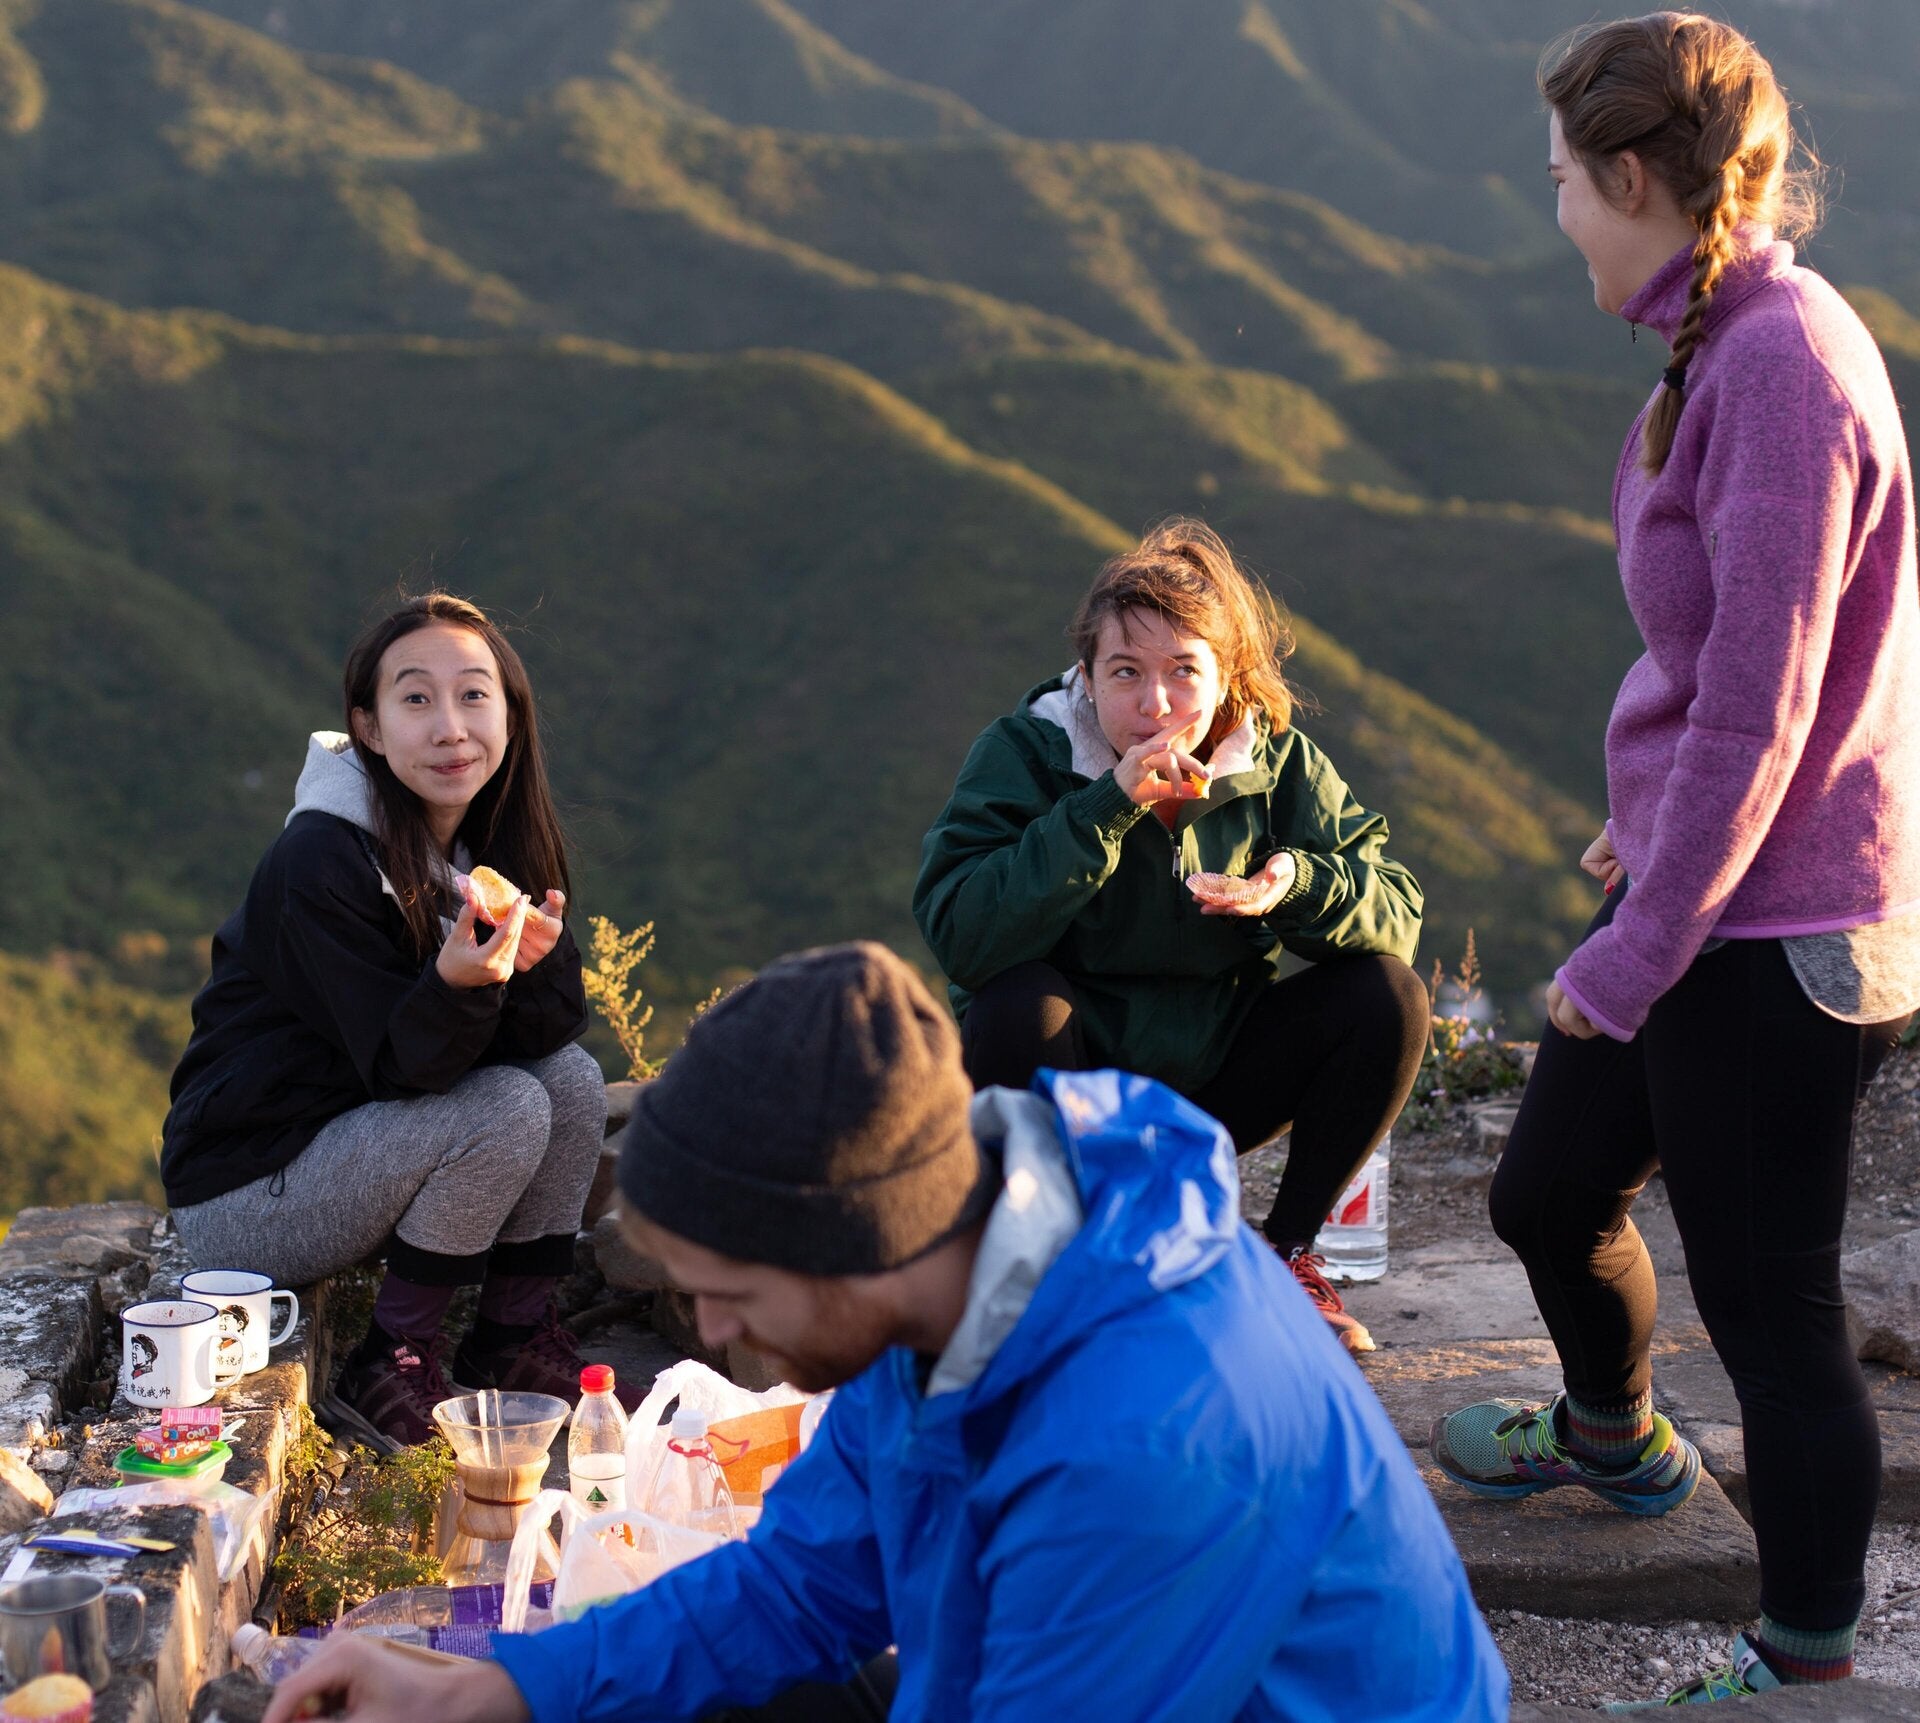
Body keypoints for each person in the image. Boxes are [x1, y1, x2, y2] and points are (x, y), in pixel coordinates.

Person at [262, 942, 1508, 1723]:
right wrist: (498, 1690)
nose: (705, 1329)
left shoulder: (1152, 1437)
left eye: (731, 1290)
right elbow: (803, 1581)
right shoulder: (962, 1284)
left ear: (859, 1240)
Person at [1428, 13, 1920, 1708]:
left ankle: (1805, 1663)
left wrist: (1632, 944)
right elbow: (1736, 678)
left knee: (1772, 1315)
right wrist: (1641, 846)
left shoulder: (1778, 366)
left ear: (1636, 178)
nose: (1554, 203)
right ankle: (1617, 1442)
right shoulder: (1726, 334)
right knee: (1548, 1191)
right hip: (1711, 880)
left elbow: (1761, 719)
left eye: (1564, 177)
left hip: (1776, 931)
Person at [913, 519, 1429, 1353]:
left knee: (1387, 994)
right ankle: (1058, 1266)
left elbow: (1396, 912)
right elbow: (961, 928)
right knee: (1015, 1001)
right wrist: (1102, 810)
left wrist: (1289, 883)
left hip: (1217, 1073)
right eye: (1126, 673)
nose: (1155, 703)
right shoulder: (1027, 753)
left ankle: (1285, 1250)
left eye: (1184, 672)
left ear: (1225, 680)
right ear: (1086, 677)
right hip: (1073, 1078)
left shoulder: (1275, 763)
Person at [163, 592, 612, 1452]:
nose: (451, 727)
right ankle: (390, 1361)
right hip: (249, 1189)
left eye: (475, 695)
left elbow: (545, 1042)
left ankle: (511, 1338)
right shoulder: (320, 859)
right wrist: (457, 985)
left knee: (572, 1082)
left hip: (362, 1145)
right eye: (416, 698)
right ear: (367, 727)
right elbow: (405, 1069)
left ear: (510, 715)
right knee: (507, 1106)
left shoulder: (482, 847)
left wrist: (538, 962)